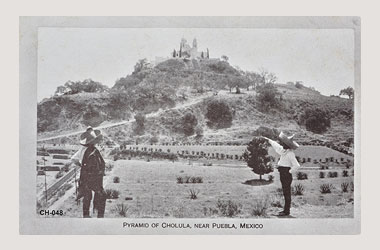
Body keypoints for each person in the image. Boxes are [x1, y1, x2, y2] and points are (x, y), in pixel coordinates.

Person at [262, 132, 300, 216]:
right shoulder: (284, 151)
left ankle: (286, 211)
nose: (282, 144)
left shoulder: (290, 154)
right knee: (285, 192)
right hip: (283, 173)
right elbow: (276, 146)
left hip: (286, 174)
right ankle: (286, 210)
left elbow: (297, 165)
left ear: (287, 145)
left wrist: (288, 171)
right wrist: (268, 140)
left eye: (283, 143)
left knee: (287, 192)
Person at [75, 127, 106, 218]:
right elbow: (91, 167)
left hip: (89, 178)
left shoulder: (93, 151)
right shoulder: (91, 152)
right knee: (98, 196)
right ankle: (97, 216)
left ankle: (87, 215)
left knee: (88, 196)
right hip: (91, 178)